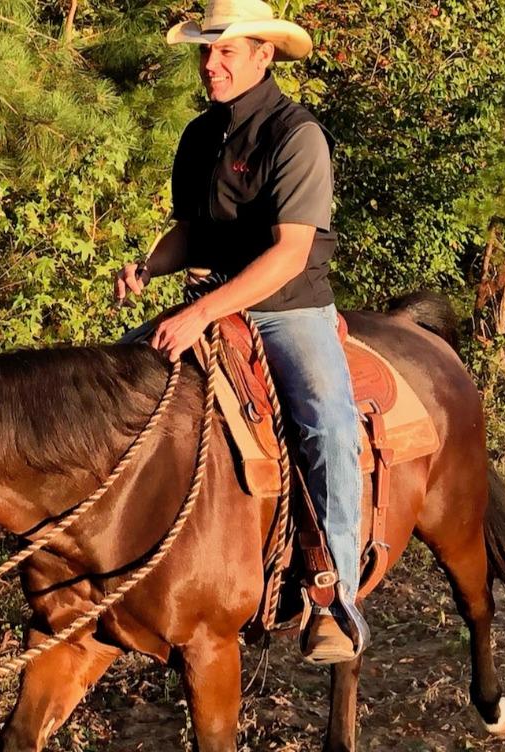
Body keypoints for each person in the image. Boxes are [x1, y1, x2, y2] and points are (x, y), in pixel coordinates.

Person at [112, 0, 368, 664]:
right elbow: (190, 231)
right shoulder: (200, 135)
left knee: (329, 425)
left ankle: (334, 598)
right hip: (211, 301)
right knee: (112, 385)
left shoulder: (297, 135)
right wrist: (149, 266)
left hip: (288, 308)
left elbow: (289, 254)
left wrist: (198, 313)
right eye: (207, 50)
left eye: (226, 50)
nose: (211, 62)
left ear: (264, 55)